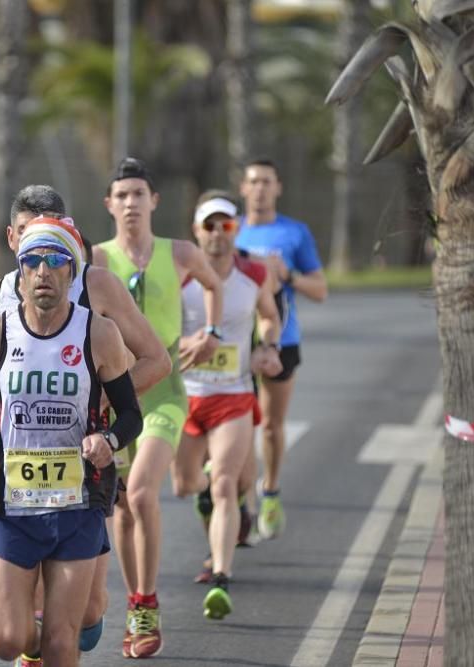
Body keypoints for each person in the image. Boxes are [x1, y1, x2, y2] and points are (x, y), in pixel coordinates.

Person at [0, 185, 171, 663]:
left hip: (84, 466)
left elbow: (155, 361)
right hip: (16, 474)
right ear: (13, 243)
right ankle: (38, 641)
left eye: (55, 249)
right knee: (12, 638)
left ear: (74, 254)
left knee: (82, 618)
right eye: (30, 245)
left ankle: (65, 631)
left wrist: (103, 415)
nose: (42, 264)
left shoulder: (98, 295)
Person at [93, 157, 225, 659]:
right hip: (116, 393)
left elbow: (214, 285)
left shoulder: (182, 251)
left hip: (165, 390)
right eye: (121, 195)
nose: (130, 203)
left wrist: (209, 334)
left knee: (144, 491)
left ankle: (147, 604)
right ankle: (134, 604)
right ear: (109, 204)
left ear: (154, 201)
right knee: (124, 505)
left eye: (138, 194)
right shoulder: (98, 260)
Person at [170, 193, 282, 621]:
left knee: (224, 484)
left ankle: (220, 577)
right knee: (184, 485)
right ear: (196, 231)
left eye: (227, 226)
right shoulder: (179, 276)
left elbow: (269, 314)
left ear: (237, 229)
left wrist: (267, 345)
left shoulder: (253, 274)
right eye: (209, 226)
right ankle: (215, 504)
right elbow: (156, 329)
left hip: (233, 395)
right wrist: (188, 344)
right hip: (185, 394)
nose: (218, 234)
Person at [235, 159, 328, 539]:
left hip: (281, 340)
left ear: (278, 188)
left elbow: (320, 290)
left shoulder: (294, 233)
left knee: (271, 425)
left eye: (266, 182)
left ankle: (269, 491)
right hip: (236, 343)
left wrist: (287, 275)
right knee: (237, 425)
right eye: (253, 181)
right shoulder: (229, 229)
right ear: (243, 188)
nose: (259, 188)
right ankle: (238, 502)